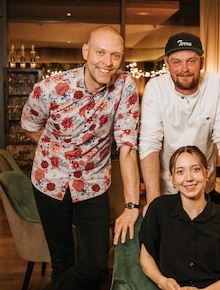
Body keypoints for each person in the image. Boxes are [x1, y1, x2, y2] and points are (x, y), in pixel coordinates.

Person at [20, 26, 141, 289]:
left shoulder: (124, 86)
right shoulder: (49, 89)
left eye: (115, 55)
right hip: (49, 182)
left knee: (95, 265)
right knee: (62, 261)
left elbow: (127, 146)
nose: (107, 63)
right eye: (100, 52)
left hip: (93, 184)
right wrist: (55, 151)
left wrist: (132, 206)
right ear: (86, 51)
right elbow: (30, 126)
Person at [139, 32, 220, 229]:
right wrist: (154, 200)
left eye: (191, 61)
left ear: (202, 62)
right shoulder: (155, 88)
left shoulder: (218, 85)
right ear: (166, 64)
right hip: (166, 191)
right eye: (176, 62)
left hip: (205, 189)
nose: (184, 69)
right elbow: (149, 143)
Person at [139, 145, 220, 290]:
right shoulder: (159, 209)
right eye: (180, 172)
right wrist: (161, 280)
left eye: (195, 169)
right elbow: (146, 257)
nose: (189, 178)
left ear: (207, 173)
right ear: (172, 179)